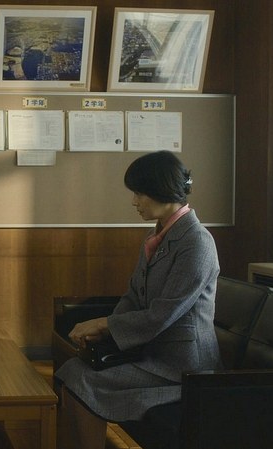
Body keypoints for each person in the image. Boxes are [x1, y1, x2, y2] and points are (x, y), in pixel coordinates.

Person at [54, 151, 222, 449]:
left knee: (81, 379)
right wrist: (106, 333)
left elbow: (164, 312)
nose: (134, 201)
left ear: (161, 190)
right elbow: (134, 295)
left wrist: (104, 324)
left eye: (139, 193)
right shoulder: (156, 235)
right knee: (73, 372)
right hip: (152, 352)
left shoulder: (197, 241)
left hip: (182, 367)